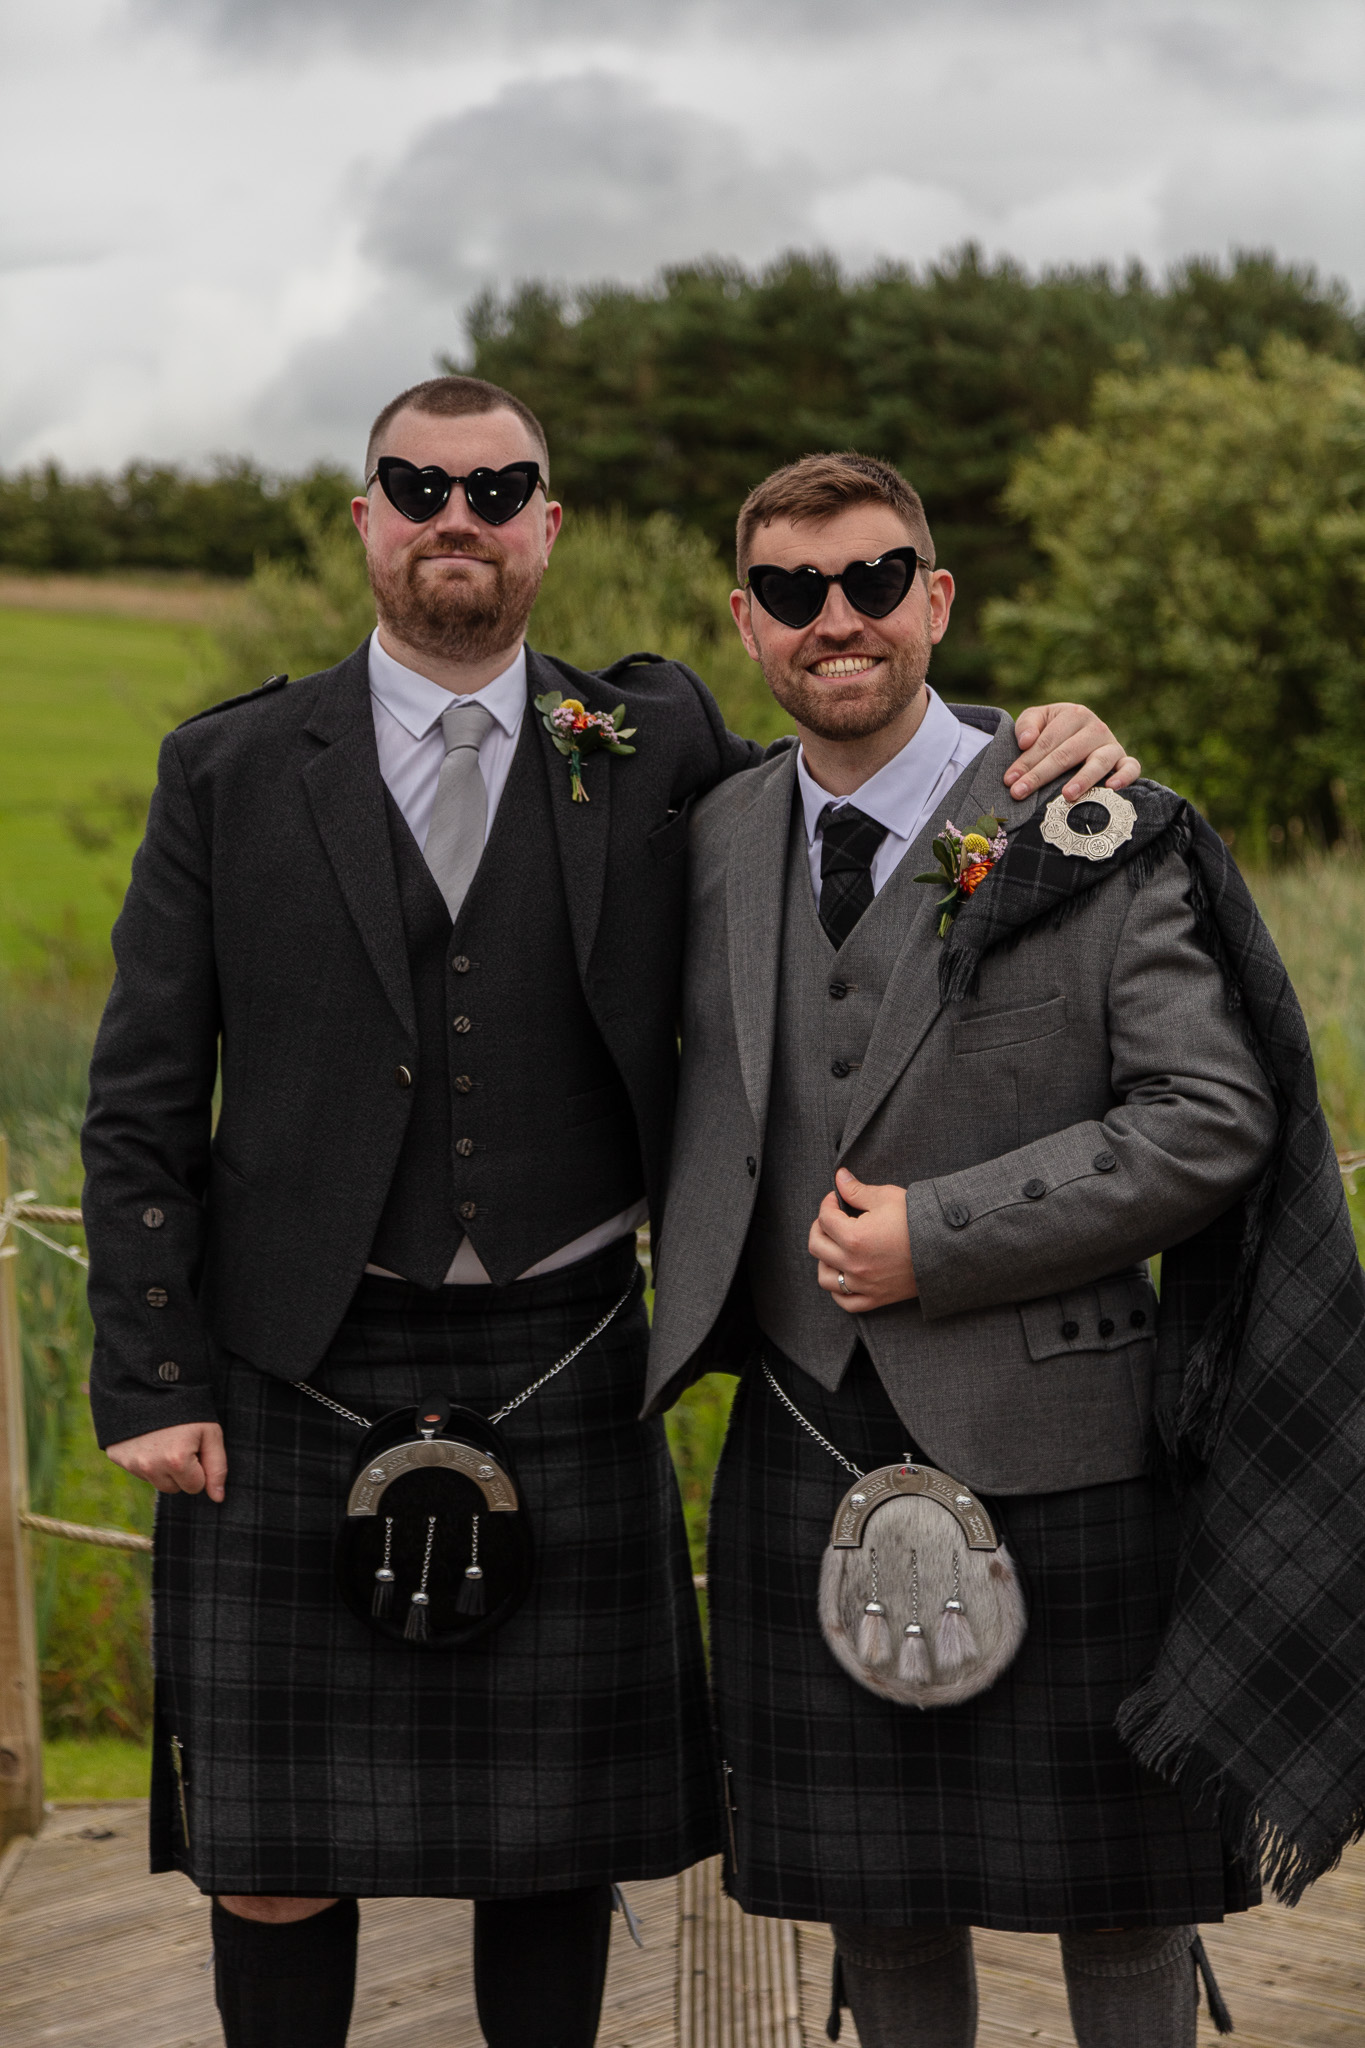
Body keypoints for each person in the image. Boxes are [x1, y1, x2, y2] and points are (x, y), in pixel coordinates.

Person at [81, 378, 1136, 2048]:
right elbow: (141, 1091)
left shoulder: (650, 744)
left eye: (498, 488)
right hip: (289, 1354)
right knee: (270, 1858)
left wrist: (1039, 741)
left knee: (549, 1846)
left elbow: (857, 762)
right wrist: (152, 1374)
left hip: (564, 1346)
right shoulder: (227, 765)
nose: (457, 514)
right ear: (362, 516)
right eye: (417, 484)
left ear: (547, 527)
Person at [645, 450, 1283, 2047]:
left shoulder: (1085, 817)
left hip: (1063, 1437)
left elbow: (1207, 1117)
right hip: (802, 1426)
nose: (835, 618)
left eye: (872, 579)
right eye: (791, 590)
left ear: (934, 598)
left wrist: (939, 1238)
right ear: (745, 621)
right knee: (877, 1895)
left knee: (1118, 1895)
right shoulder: (714, 831)